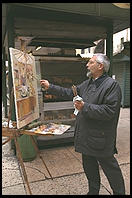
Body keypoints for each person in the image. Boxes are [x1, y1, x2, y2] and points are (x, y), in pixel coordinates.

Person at [40, 53, 125, 195]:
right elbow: (69, 92)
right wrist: (50, 87)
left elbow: (109, 111)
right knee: (89, 168)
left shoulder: (111, 85)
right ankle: (93, 192)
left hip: (100, 138)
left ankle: (120, 192)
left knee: (111, 168)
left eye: (91, 62)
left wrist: (85, 107)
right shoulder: (88, 83)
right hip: (85, 136)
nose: (87, 65)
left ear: (100, 66)